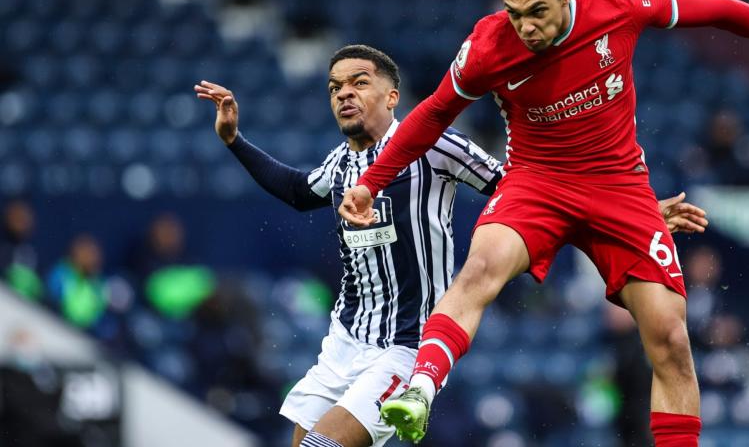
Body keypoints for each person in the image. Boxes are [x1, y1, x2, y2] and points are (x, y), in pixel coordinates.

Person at [338, 0, 749, 445]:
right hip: (536, 183)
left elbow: (725, 10)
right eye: (514, 12)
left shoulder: (618, 2)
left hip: (620, 188)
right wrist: (370, 184)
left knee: (671, 339)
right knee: (480, 268)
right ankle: (420, 390)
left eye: (537, 11)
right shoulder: (487, 47)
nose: (525, 26)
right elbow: (431, 115)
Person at [195, 44, 706, 447]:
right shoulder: (340, 164)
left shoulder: (435, 145)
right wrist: (234, 140)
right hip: (343, 341)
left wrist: (629, 213)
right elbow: (294, 190)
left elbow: (524, 196)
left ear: (393, 97)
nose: (344, 94)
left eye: (359, 82)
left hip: (407, 348)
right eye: (334, 88)